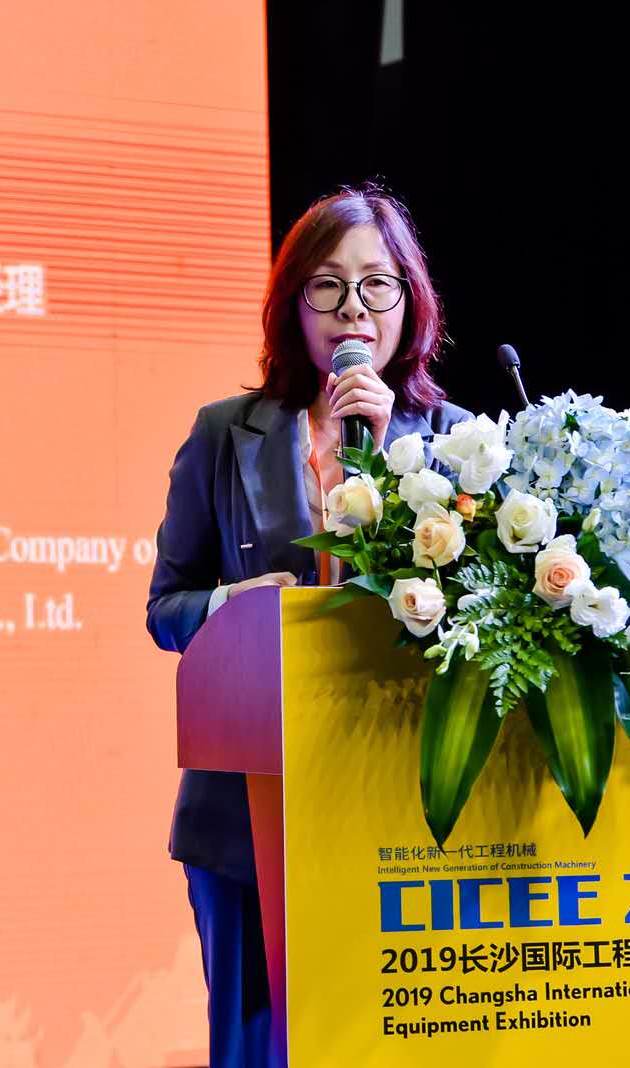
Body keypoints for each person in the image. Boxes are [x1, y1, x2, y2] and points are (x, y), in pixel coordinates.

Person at [144, 185, 475, 1067]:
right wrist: (236, 605)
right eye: (326, 286)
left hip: (401, 808)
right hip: (248, 812)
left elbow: (482, 613)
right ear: (293, 305)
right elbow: (166, 608)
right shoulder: (227, 434)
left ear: (410, 301)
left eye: (376, 284)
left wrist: (386, 460)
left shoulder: (459, 443)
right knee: (260, 1048)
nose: (352, 309)